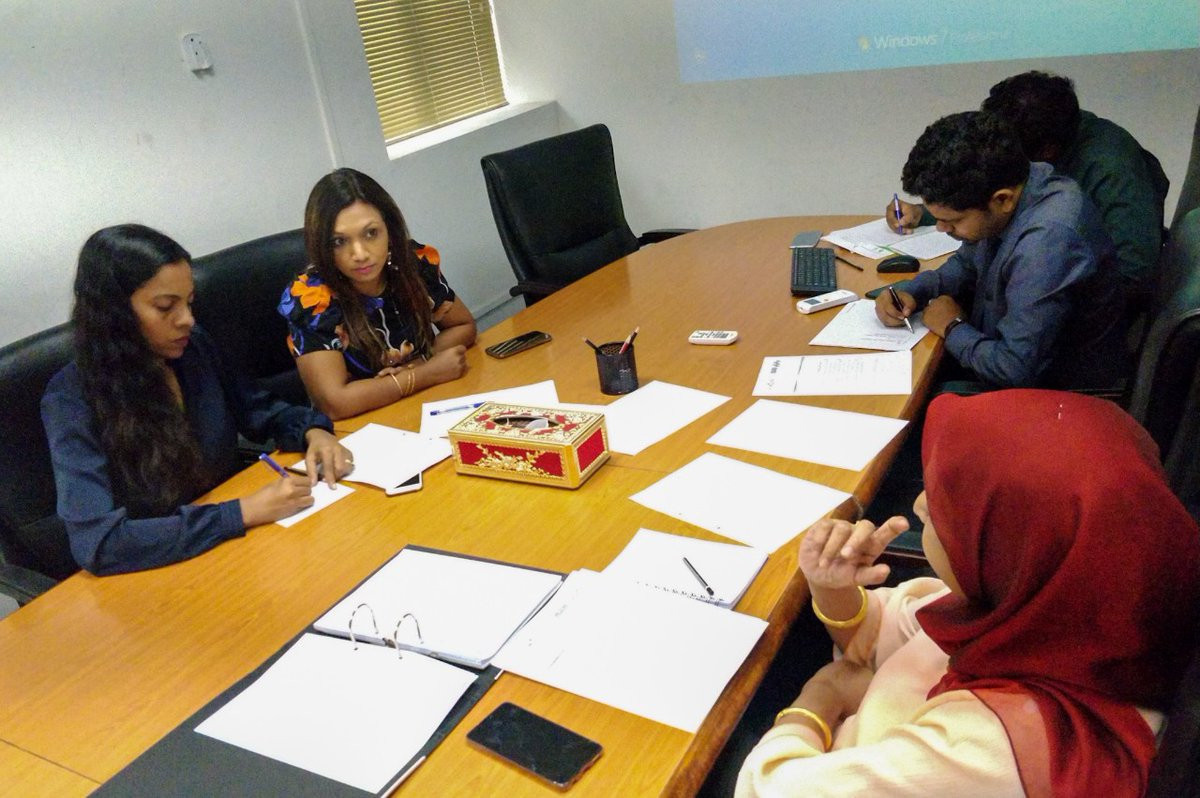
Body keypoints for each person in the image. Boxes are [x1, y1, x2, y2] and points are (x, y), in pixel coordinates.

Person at [735, 389, 1200, 797]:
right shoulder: (1056, 608)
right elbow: (883, 634)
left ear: (1009, 555)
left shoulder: (992, 747)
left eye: (945, 506)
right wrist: (831, 588)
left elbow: (768, 787)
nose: (920, 504)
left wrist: (819, 699)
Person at [42, 224, 352, 576]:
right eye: (165, 307)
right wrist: (242, 512)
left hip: (235, 550)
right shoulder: (70, 399)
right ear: (114, 314)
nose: (187, 320)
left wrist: (314, 432)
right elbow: (99, 543)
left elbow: (260, 410)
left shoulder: (194, 348)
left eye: (189, 302)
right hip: (156, 573)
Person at [875, 110, 1127, 389]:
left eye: (953, 221)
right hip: (1006, 356)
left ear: (1002, 200)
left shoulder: (1046, 244)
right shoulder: (1016, 181)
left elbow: (1014, 370)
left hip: (1057, 392)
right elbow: (966, 265)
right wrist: (913, 290)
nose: (941, 229)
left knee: (921, 395)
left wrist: (951, 326)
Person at [886, 71, 1169, 306]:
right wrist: (927, 213)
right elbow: (988, 194)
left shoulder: (1114, 170)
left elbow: (1133, 276)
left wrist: (1033, 296)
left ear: (1045, 152)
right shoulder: (1046, 131)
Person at [279, 168, 477, 420]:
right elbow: (335, 403)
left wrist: (418, 363)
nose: (360, 254)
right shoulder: (313, 298)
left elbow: (463, 326)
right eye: (339, 241)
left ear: (389, 230)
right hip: (358, 427)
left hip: (423, 406)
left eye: (371, 233)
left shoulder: (411, 263)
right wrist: (424, 374)